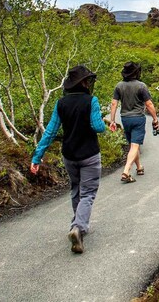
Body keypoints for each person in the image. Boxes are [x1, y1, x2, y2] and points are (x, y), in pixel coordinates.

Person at [30, 65, 108, 254]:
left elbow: (50, 131)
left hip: (69, 155)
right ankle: (78, 227)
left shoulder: (61, 103)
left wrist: (37, 156)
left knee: (75, 189)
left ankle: (77, 225)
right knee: (88, 193)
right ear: (83, 83)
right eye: (87, 80)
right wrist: (102, 121)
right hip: (89, 154)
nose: (89, 83)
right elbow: (98, 127)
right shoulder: (92, 101)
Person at [109, 61, 159, 183]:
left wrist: (112, 120)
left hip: (125, 119)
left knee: (133, 144)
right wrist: (155, 119)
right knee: (135, 145)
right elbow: (149, 104)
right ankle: (126, 171)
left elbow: (114, 103)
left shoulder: (119, 86)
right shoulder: (141, 86)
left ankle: (139, 167)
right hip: (138, 118)